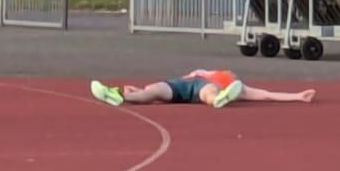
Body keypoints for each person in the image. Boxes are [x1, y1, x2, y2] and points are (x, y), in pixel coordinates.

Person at [90, 69, 316, 108]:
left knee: (210, 93)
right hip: (178, 85)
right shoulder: (209, 72)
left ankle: (219, 99)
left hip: (204, 88)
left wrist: (297, 96)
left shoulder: (233, 81)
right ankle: (116, 95)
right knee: (152, 91)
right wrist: (136, 89)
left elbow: (266, 95)